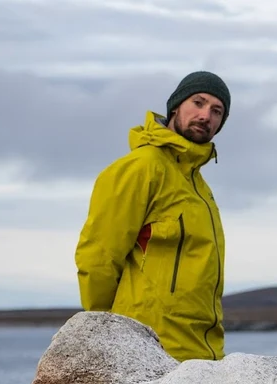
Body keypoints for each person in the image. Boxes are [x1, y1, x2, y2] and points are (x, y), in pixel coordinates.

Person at [75, 71, 231, 362]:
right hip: (150, 350)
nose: (205, 115)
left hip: (203, 355)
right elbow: (98, 257)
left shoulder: (200, 188)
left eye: (216, 111)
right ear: (175, 107)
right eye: (198, 102)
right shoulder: (140, 168)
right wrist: (109, 333)